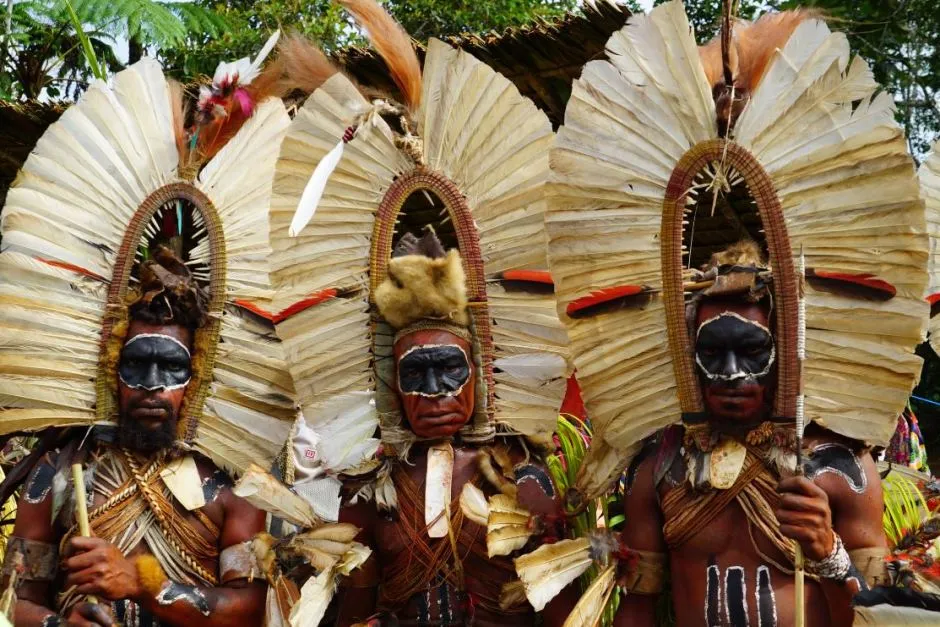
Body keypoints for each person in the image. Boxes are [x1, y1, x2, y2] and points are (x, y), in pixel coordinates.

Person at [528, 1, 928, 625]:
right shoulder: (659, 467)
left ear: (787, 350)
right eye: (712, 355)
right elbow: (638, 604)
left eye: (752, 352)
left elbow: (880, 615)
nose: (733, 375)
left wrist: (827, 553)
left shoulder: (840, 469)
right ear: (683, 358)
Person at [263, 1, 573, 623]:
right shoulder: (369, 494)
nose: (433, 393)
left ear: (481, 371)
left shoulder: (527, 481)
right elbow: (352, 606)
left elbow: (558, 607)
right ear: (389, 385)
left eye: (447, 371)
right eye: (416, 376)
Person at [0, 44, 296, 626]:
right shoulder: (57, 472)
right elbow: (15, 600)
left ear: (197, 375)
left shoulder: (232, 484)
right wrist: (61, 624)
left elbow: (251, 610)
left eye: (171, 369)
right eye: (138, 366)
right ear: (112, 366)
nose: (152, 387)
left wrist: (143, 581)